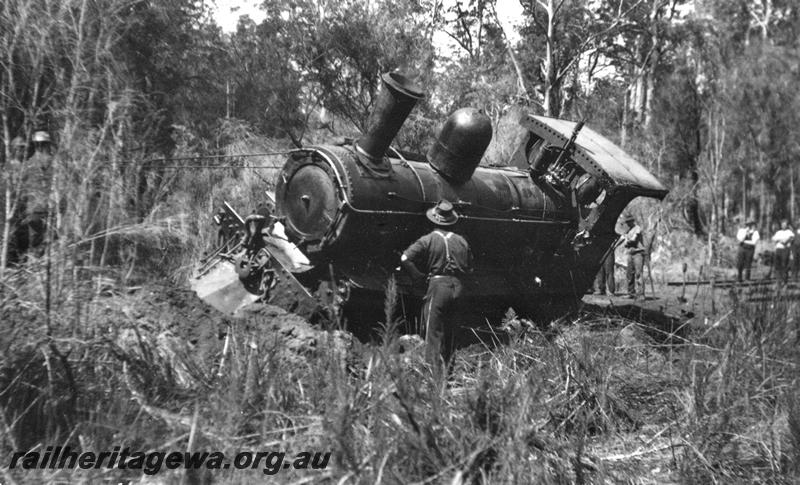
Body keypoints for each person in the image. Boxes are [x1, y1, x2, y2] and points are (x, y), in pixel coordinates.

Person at [400, 200, 472, 370]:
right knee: (452, 330)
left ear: (434, 219)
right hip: (458, 287)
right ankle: (449, 370)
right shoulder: (462, 241)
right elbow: (470, 265)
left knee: (433, 331)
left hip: (439, 285)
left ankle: (433, 374)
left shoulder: (429, 239)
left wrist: (418, 276)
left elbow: (405, 258)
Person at [622, 214, 645, 299]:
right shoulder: (628, 231)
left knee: (639, 274)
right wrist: (626, 239)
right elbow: (625, 243)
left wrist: (627, 240)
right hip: (630, 253)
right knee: (629, 274)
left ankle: (641, 294)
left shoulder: (637, 228)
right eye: (626, 222)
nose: (628, 223)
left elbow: (633, 240)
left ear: (632, 221)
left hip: (638, 253)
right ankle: (631, 293)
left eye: (629, 222)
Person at [771, 219, 794, 284]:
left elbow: (788, 240)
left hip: (785, 250)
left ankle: (784, 281)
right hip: (778, 250)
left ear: (787, 225)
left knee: (784, 265)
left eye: (785, 224)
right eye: (782, 224)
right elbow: (773, 239)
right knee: (777, 265)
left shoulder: (789, 232)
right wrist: (780, 240)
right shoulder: (778, 232)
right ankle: (778, 280)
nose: (783, 226)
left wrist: (780, 240)